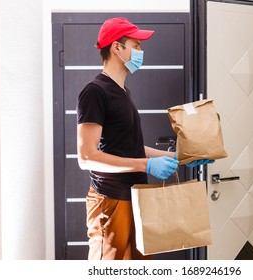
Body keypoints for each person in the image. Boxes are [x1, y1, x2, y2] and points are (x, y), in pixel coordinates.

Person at [77, 17, 212, 260]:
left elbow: (130, 147)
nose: (141, 51)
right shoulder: (95, 91)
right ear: (117, 48)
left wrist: (177, 157)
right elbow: (86, 157)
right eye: (136, 46)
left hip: (134, 194)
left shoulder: (123, 92)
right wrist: (146, 165)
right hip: (109, 199)